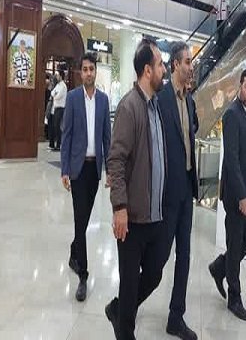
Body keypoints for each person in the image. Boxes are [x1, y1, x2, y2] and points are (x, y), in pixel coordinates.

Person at [105, 39, 167, 340]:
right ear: (147, 70)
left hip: (154, 216)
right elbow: (115, 160)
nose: (164, 70)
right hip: (132, 218)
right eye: (160, 64)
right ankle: (124, 325)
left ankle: (119, 309)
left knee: (154, 274)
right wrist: (119, 208)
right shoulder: (129, 107)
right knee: (130, 284)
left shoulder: (155, 106)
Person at [208, 69, 246, 322]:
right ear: (239, 87)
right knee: (236, 242)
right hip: (236, 195)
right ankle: (234, 298)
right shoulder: (231, 114)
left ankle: (220, 267)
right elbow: (231, 159)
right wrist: (242, 196)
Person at [155, 42, 199, 340]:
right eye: (187, 62)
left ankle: (176, 315)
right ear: (174, 65)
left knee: (185, 254)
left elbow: (191, 132)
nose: (191, 67)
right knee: (159, 257)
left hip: (186, 186)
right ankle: (126, 303)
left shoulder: (189, 100)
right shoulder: (162, 99)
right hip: (167, 190)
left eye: (191, 62)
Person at [60, 53, 111, 302]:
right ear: (80, 72)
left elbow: (107, 138)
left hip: (94, 170)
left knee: (84, 217)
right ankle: (83, 274)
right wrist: (64, 170)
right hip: (78, 169)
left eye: (92, 69)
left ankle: (73, 251)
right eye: (85, 69)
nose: (89, 73)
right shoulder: (72, 98)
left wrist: (110, 170)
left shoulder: (103, 100)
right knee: (80, 220)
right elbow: (67, 135)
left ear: (96, 71)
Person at [50, 71, 67, 151]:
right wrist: (54, 94)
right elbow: (52, 93)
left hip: (61, 108)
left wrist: (55, 95)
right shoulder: (58, 85)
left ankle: (59, 145)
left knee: (58, 127)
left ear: (61, 76)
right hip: (55, 108)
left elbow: (58, 96)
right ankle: (54, 144)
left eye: (58, 75)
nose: (56, 77)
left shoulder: (63, 86)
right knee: (54, 126)